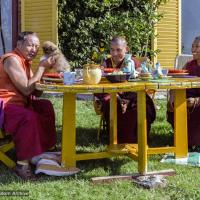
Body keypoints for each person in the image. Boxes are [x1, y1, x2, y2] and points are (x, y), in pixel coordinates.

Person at [0, 31, 57, 180]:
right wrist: (41, 68)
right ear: (19, 44)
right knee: (28, 117)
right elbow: (26, 88)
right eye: (30, 45)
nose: (34, 49)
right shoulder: (11, 59)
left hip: (21, 104)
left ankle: (44, 149)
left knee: (45, 106)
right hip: (6, 107)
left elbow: (36, 93)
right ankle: (22, 164)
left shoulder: (25, 62)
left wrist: (43, 72)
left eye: (37, 46)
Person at [95, 36, 156, 143]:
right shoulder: (106, 64)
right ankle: (118, 140)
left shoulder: (133, 63)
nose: (114, 54)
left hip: (132, 96)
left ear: (126, 49)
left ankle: (140, 139)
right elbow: (100, 84)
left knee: (143, 106)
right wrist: (118, 98)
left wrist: (128, 99)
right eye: (112, 50)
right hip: (114, 95)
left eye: (118, 50)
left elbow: (142, 83)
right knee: (113, 104)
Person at [167, 35, 200, 151]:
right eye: (192, 46)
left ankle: (193, 142)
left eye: (197, 46)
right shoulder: (188, 65)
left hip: (197, 102)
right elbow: (175, 82)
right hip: (185, 99)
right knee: (175, 108)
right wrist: (172, 96)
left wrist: (196, 101)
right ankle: (184, 140)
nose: (193, 49)